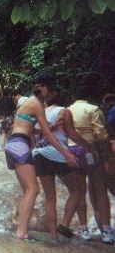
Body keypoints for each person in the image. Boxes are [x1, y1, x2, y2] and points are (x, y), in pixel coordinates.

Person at [4, 73, 78, 242]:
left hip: (13, 144)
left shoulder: (29, 102)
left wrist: (51, 127)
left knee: (27, 191)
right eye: (50, 91)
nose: (51, 94)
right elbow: (45, 134)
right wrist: (66, 154)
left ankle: (21, 231)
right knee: (33, 190)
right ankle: (22, 232)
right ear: (42, 88)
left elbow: (31, 128)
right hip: (21, 145)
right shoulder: (37, 104)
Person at [32, 90, 91, 241]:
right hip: (58, 153)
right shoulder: (64, 112)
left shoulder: (40, 111)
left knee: (50, 197)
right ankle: (64, 225)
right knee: (79, 189)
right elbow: (71, 133)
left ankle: (54, 237)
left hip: (39, 154)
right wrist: (89, 146)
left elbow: (35, 133)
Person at [69, 93, 113, 243]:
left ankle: (83, 229)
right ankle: (106, 230)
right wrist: (108, 156)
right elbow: (100, 135)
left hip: (72, 150)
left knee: (79, 190)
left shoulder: (67, 109)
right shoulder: (93, 109)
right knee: (100, 189)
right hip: (90, 149)